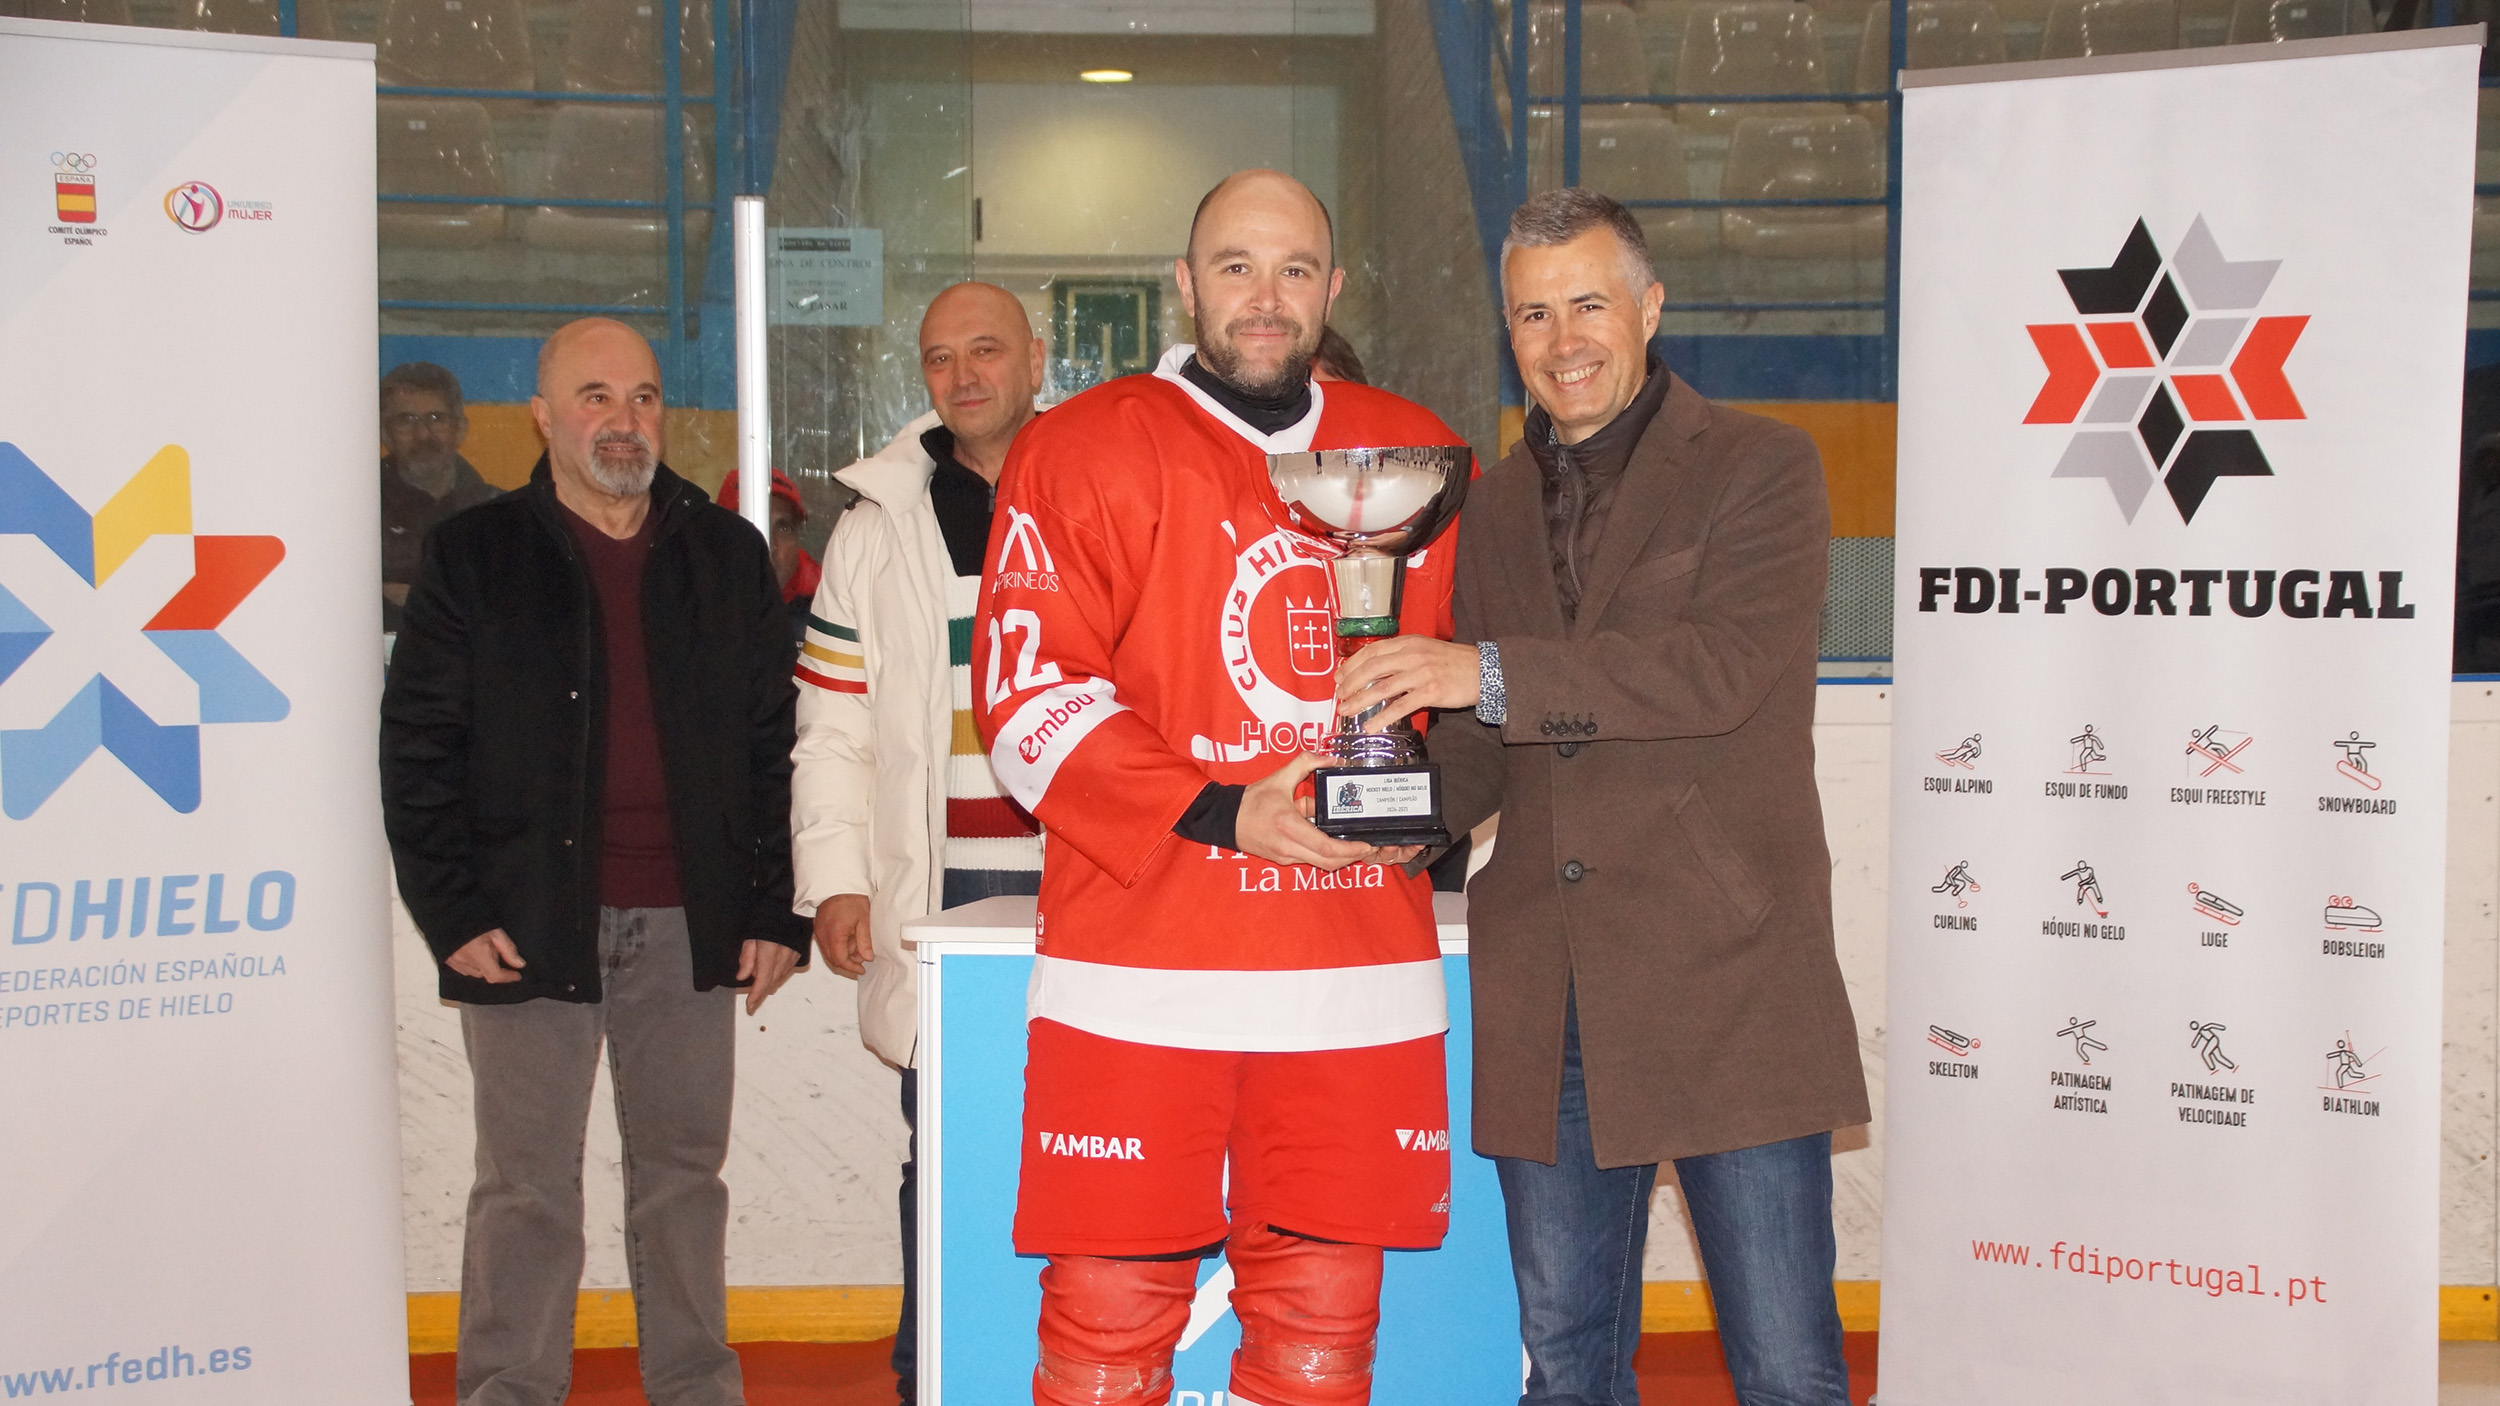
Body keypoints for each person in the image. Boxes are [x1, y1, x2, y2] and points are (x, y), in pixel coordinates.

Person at [1335, 188, 1868, 1406]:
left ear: (1648, 306)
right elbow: (1483, 749)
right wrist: (1384, 815)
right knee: (1566, 1367)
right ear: (1507, 333)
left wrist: (1487, 671)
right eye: (1532, 312)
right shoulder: (1490, 504)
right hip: (1551, 994)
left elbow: (1716, 670)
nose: (1562, 337)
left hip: (1730, 972)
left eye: (1588, 302)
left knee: (1787, 1369)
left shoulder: (1762, 464)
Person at [973, 169, 1468, 1406]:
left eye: (1295, 269)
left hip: (1350, 964)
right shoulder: (1077, 446)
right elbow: (1025, 701)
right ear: (1184, 285)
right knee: (1103, 1325)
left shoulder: (1416, 452)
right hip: (1143, 965)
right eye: (1235, 267)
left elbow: (1472, 679)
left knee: (1319, 1336)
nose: (1266, 296)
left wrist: (1429, 812)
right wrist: (1226, 806)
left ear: (1333, 289)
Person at [381, 317, 810, 1406]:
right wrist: (451, 910)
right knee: (523, 1187)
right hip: (525, 919)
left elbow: (775, 746)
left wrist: (774, 906)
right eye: (595, 397)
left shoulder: (724, 555)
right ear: (540, 414)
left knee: (682, 1182)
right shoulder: (473, 555)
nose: (624, 421)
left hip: (688, 918)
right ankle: (508, 1389)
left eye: (645, 397)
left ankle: (696, 1387)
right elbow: (419, 748)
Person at [788, 280, 1048, 1405]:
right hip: (940, 894)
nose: (964, 374)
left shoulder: (1103, 487)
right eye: (941, 358)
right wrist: (834, 880)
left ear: (1035, 361)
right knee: (943, 1152)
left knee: (1097, 1145)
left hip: (1094, 885)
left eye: (986, 349)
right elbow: (831, 728)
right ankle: (928, 1371)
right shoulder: (872, 525)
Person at [380, 361, 500, 632]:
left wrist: (409, 596)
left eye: (436, 419)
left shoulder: (497, 511)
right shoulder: (357, 510)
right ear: (384, 433)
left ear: (460, 429)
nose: (423, 434)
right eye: (406, 420)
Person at [714, 467, 822, 643]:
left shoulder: (827, 605)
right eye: (745, 527)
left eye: (784, 528)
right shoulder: (691, 602)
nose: (769, 545)